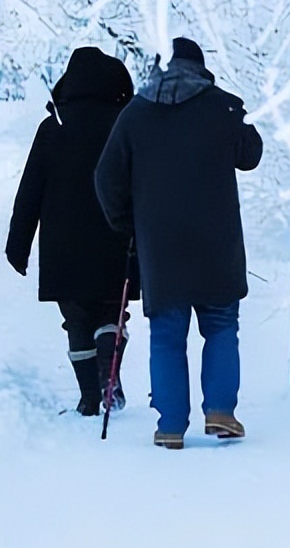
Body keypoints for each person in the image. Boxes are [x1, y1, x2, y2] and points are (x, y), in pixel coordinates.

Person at [95, 37, 262, 449]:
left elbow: (105, 177)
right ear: (201, 69)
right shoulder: (221, 106)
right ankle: (221, 412)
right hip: (217, 241)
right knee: (221, 326)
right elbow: (251, 154)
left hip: (159, 246)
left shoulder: (135, 113)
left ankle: (170, 425)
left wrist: (128, 224)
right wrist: (241, 120)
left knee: (167, 334)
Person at [6, 47, 139, 416]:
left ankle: (89, 397)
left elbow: (30, 189)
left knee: (77, 318)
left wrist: (17, 245)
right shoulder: (124, 124)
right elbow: (143, 184)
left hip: (63, 245)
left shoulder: (54, 127)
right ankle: (108, 378)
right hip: (116, 237)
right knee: (112, 312)